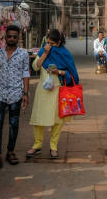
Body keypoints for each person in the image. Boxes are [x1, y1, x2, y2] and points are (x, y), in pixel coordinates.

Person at [27, 29, 79, 159]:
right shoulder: (44, 49)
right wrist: (45, 52)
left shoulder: (65, 54)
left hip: (58, 91)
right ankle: (37, 145)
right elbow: (35, 66)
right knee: (39, 119)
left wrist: (59, 72)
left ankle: (53, 147)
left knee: (57, 121)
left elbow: (74, 76)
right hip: (43, 92)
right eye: (48, 42)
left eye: (52, 43)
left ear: (59, 42)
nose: (49, 45)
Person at [0, 25, 30, 171]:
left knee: (14, 124)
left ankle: (10, 152)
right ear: (5, 37)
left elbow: (25, 73)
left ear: (18, 38)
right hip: (0, 93)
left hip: (16, 93)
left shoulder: (23, 54)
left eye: (14, 36)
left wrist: (26, 93)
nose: (12, 39)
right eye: (9, 36)